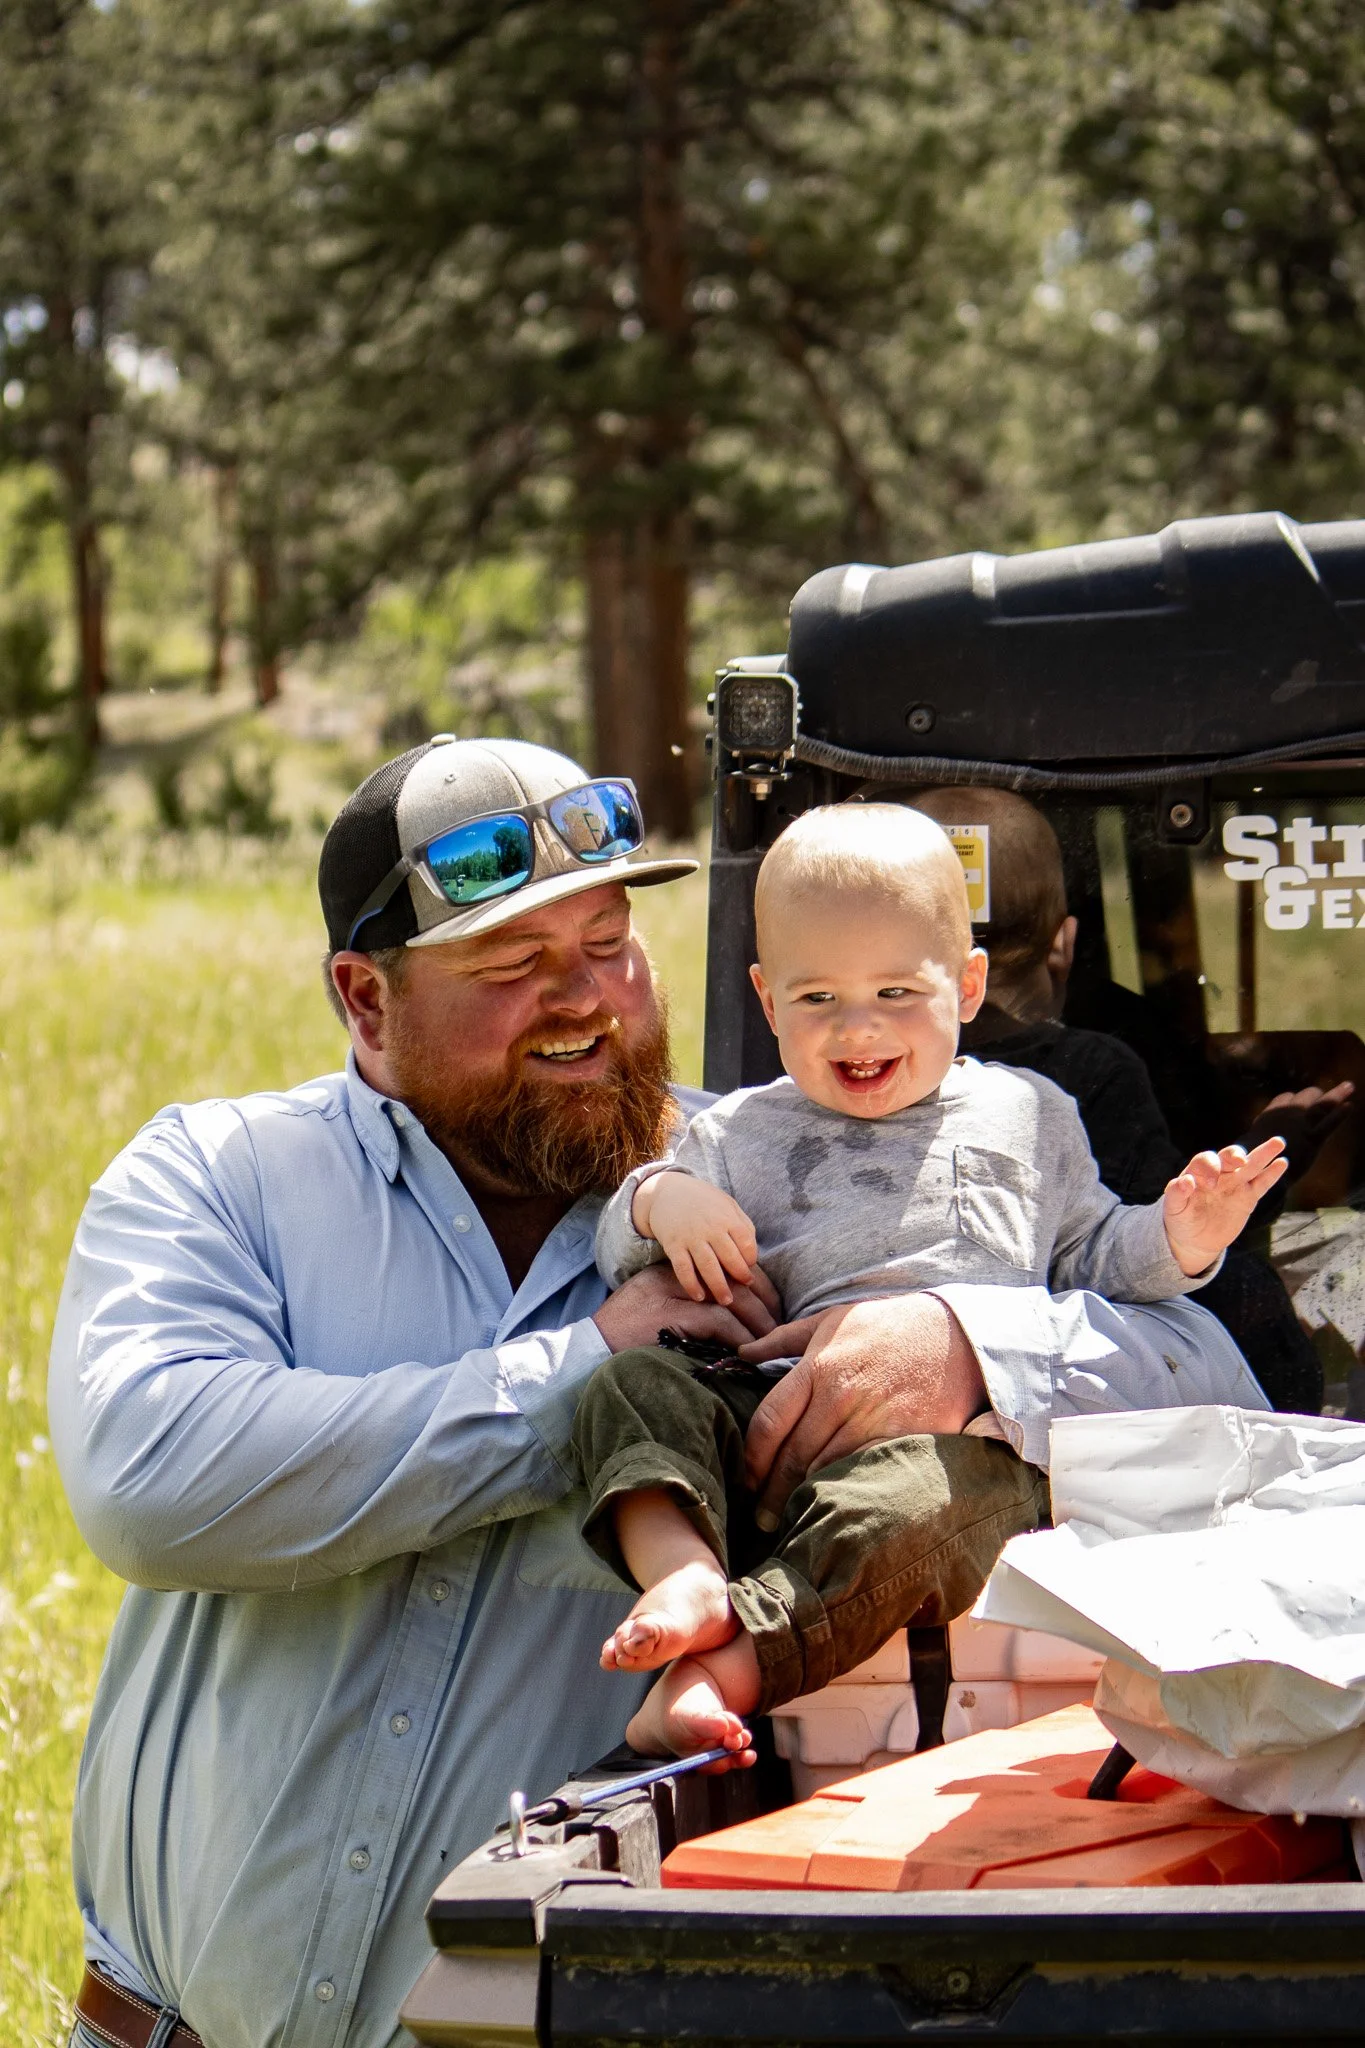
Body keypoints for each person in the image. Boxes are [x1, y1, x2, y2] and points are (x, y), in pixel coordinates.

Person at [50, 738, 1267, 2048]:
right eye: (516, 968)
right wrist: (581, 1376)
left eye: (611, 945)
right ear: (364, 999)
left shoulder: (778, 1165)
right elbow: (152, 1478)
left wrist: (968, 1344)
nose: (589, 1001)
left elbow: (1218, 1388)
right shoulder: (223, 1177)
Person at [576, 805, 1282, 1761]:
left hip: (959, 1451)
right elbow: (620, 1247)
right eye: (816, 998)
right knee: (625, 1389)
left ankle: (730, 1663)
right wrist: (662, 1200)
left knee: (912, 1506)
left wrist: (1181, 1233)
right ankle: (684, 1572)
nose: (856, 1027)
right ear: (766, 1000)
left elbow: (1097, 1260)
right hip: (770, 1409)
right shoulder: (734, 1133)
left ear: (969, 986)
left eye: (896, 991)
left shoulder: (1029, 1114)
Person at [908, 783, 1349, 1414]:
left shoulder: (855, 1085)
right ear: (1063, 943)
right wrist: (1266, 1157)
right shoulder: (1090, 1071)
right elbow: (1155, 1249)